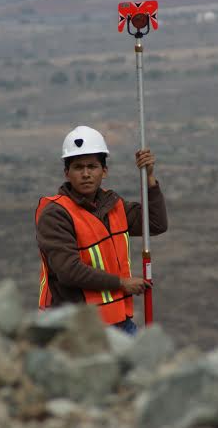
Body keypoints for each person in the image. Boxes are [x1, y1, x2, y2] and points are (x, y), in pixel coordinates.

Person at [35, 125, 168, 335]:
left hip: (118, 322)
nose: (86, 174)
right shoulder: (56, 214)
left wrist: (149, 178)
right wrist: (121, 283)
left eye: (92, 166)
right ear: (67, 173)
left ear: (104, 171)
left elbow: (156, 223)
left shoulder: (114, 206)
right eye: (78, 167)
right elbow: (68, 271)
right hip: (76, 326)